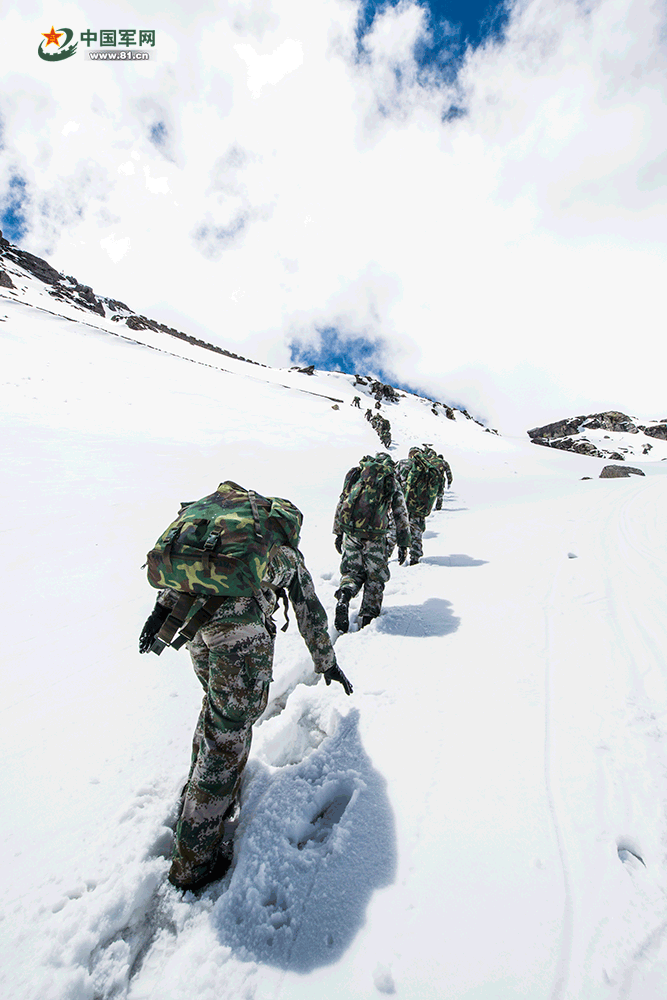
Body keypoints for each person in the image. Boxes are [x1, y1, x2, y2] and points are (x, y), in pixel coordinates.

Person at [140, 492, 352, 892]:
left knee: (217, 715)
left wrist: (160, 612)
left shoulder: (216, 537)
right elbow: (308, 608)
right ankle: (193, 863)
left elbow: (185, 578)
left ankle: (200, 800)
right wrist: (326, 661)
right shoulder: (279, 552)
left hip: (193, 628)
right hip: (238, 636)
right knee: (228, 735)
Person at [333, 453, 410, 632]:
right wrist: (403, 542)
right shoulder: (390, 480)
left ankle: (345, 595)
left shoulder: (357, 474)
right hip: (376, 536)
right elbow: (400, 512)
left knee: (352, 571)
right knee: (375, 577)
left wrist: (338, 533)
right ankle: (367, 619)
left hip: (351, 533)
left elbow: (342, 501)